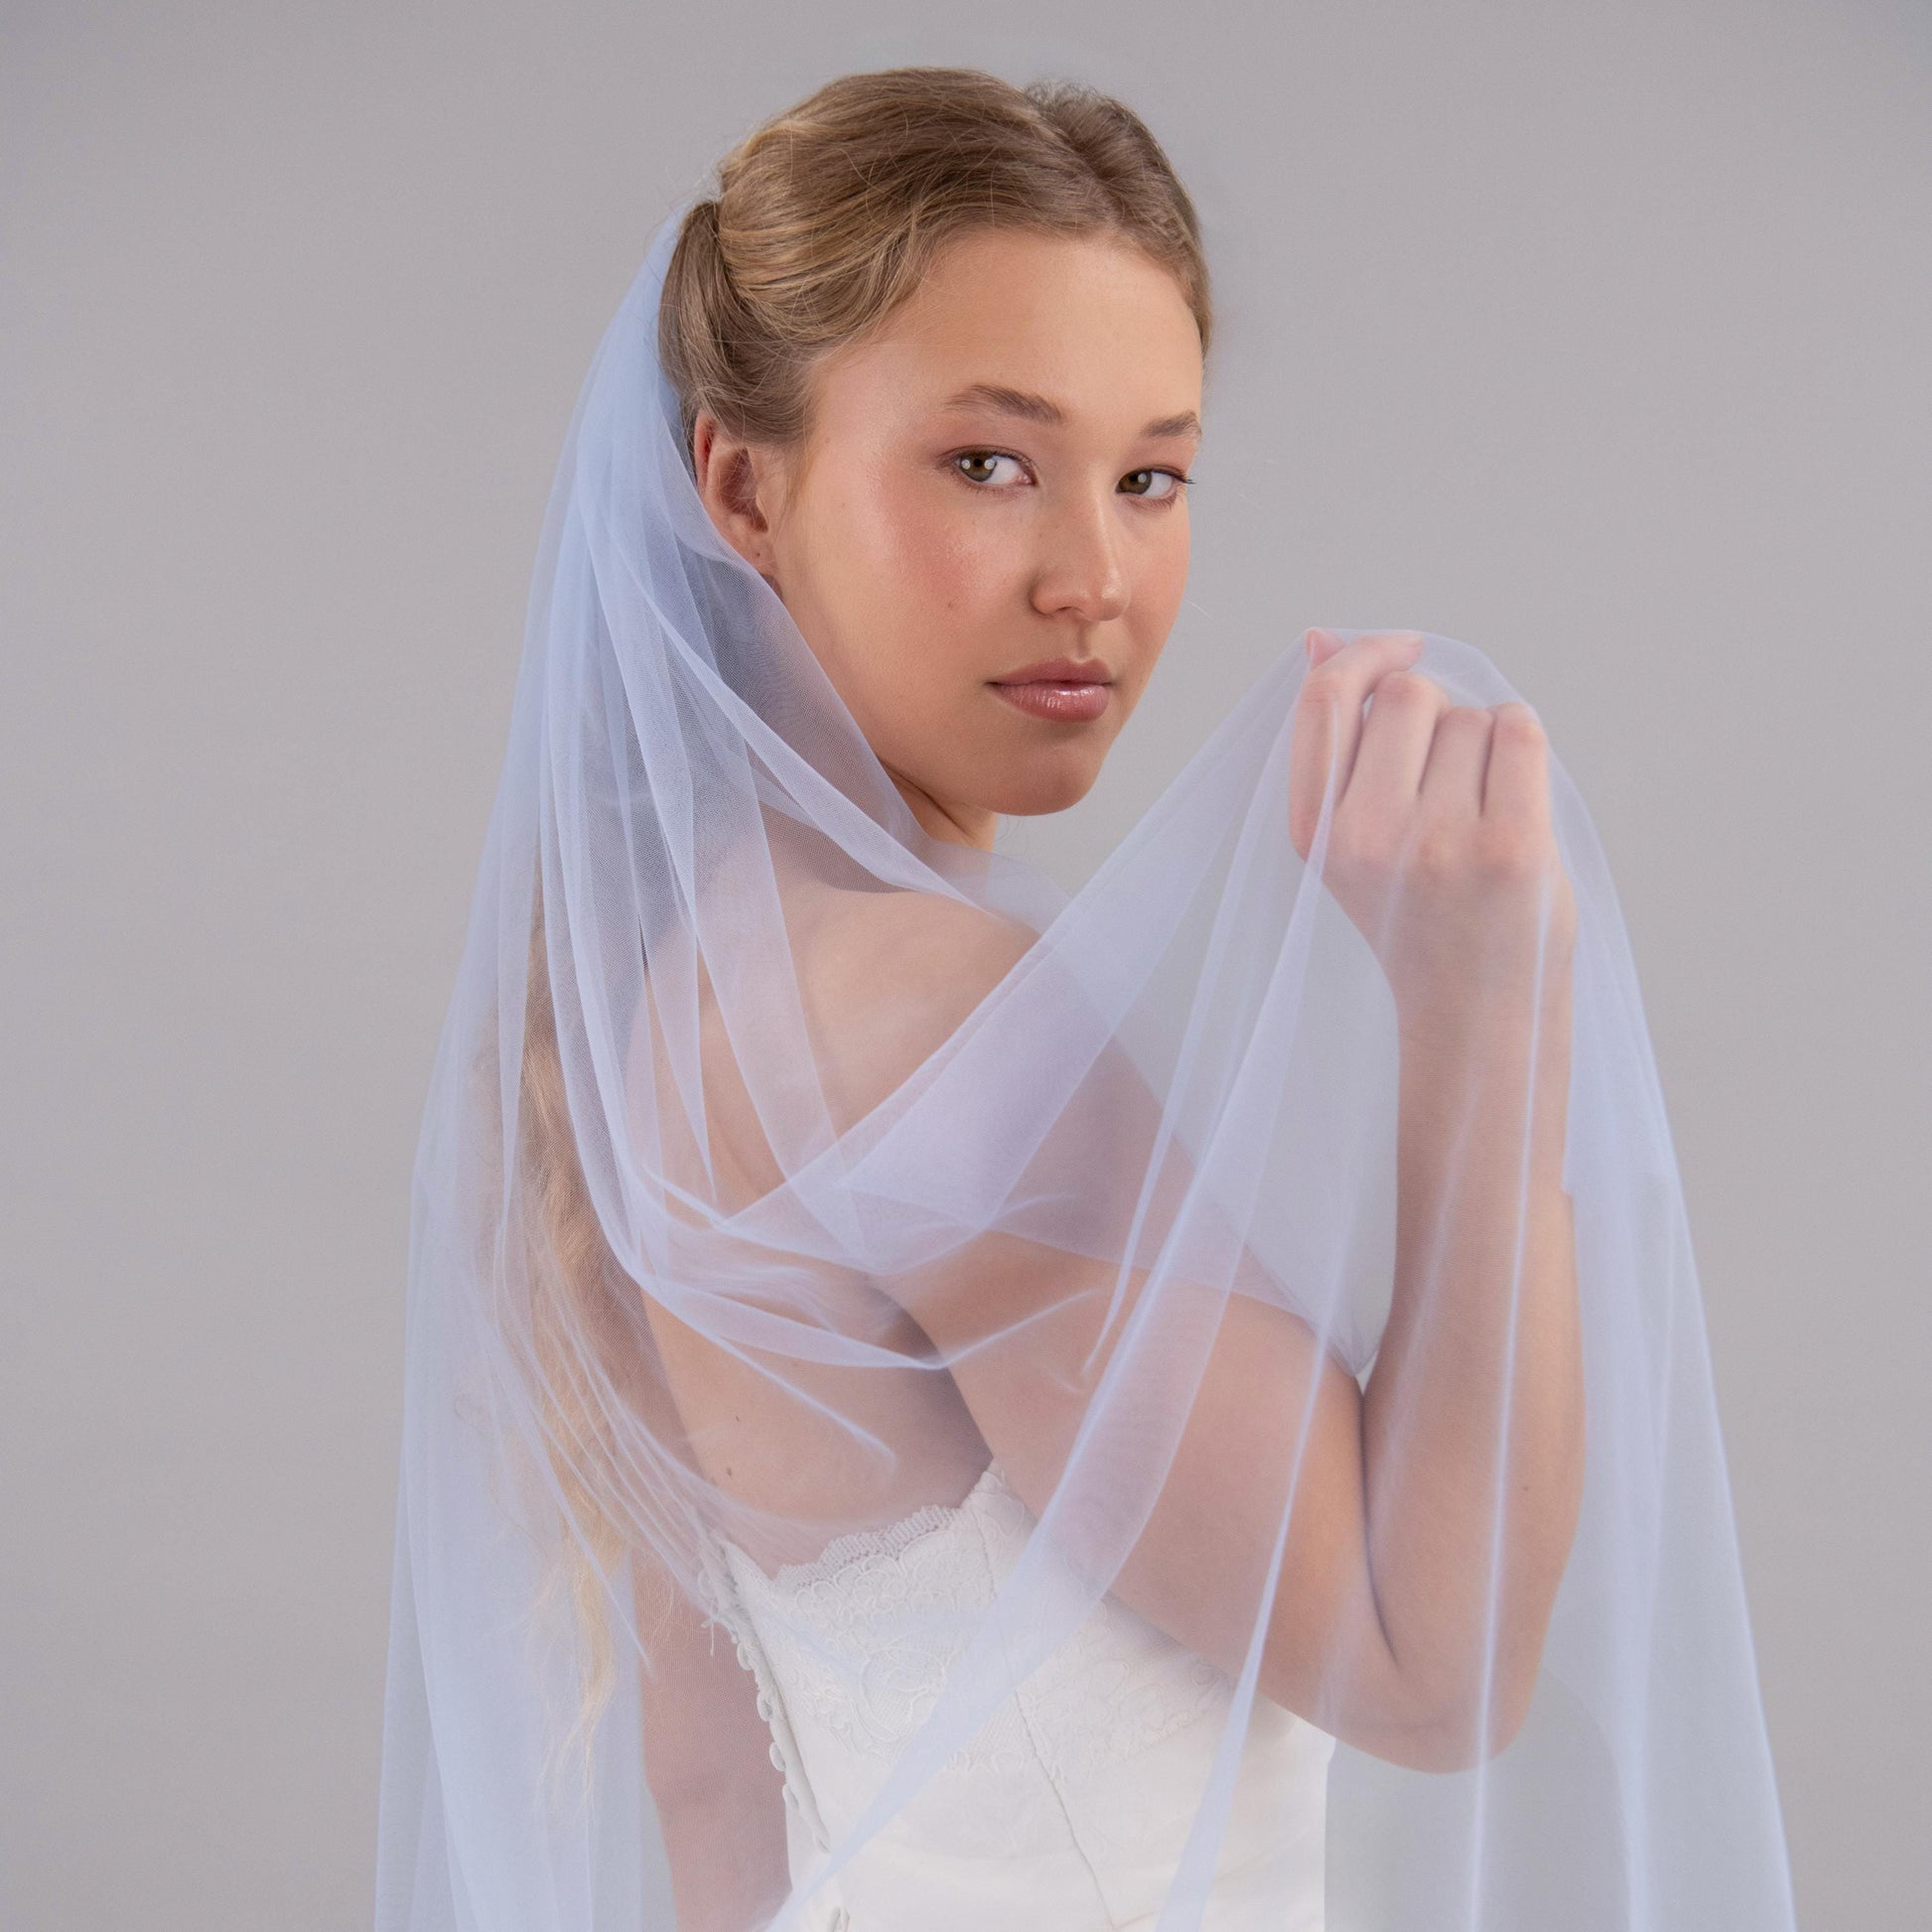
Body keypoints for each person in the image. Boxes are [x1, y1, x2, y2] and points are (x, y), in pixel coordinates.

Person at [374, 68, 1797, 1932]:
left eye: (1150, 475)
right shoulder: (939, 1016)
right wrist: (1482, 1014)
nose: (1093, 577)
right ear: (742, 481)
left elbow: (711, 1788)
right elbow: (1421, 1661)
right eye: (988, 461)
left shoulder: (665, 995)